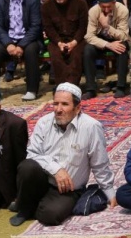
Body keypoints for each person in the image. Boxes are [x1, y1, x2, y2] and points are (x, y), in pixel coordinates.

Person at [9, 83, 116, 227]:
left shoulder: (91, 127)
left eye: (65, 104)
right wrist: (56, 169)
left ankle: (26, 203)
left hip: (68, 189)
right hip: (42, 181)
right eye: (55, 103)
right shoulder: (44, 122)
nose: (58, 109)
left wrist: (108, 190)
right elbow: (32, 153)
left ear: (77, 108)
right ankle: (25, 209)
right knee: (27, 167)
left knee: (51, 216)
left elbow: (99, 163)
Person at [83, 0, 130, 100]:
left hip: (117, 38)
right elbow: (89, 36)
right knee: (88, 50)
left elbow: (124, 36)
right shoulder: (93, 11)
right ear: (99, 4)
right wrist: (108, 44)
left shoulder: (122, 10)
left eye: (109, 6)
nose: (106, 9)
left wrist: (107, 27)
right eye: (103, 7)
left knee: (122, 48)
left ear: (114, 2)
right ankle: (90, 89)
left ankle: (121, 87)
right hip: (101, 40)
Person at [41, 0, 88, 86]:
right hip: (57, 40)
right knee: (57, 58)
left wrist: (74, 42)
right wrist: (59, 42)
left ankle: (72, 87)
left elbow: (83, 27)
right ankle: (61, 87)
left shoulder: (80, 3)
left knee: (76, 57)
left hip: (76, 39)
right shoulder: (46, 6)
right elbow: (49, 28)